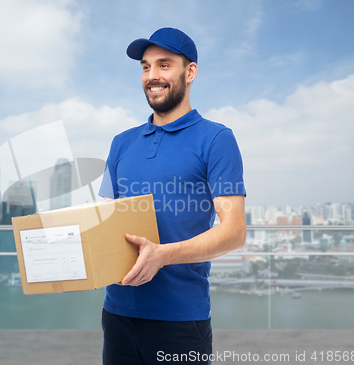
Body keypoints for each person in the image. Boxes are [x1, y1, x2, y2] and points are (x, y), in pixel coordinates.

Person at [98, 27, 247, 364]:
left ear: (189, 72)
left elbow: (234, 232)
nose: (153, 76)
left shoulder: (216, 138)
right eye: (146, 67)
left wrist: (162, 255)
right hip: (116, 312)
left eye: (164, 65)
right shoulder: (121, 142)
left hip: (180, 319)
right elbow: (105, 216)